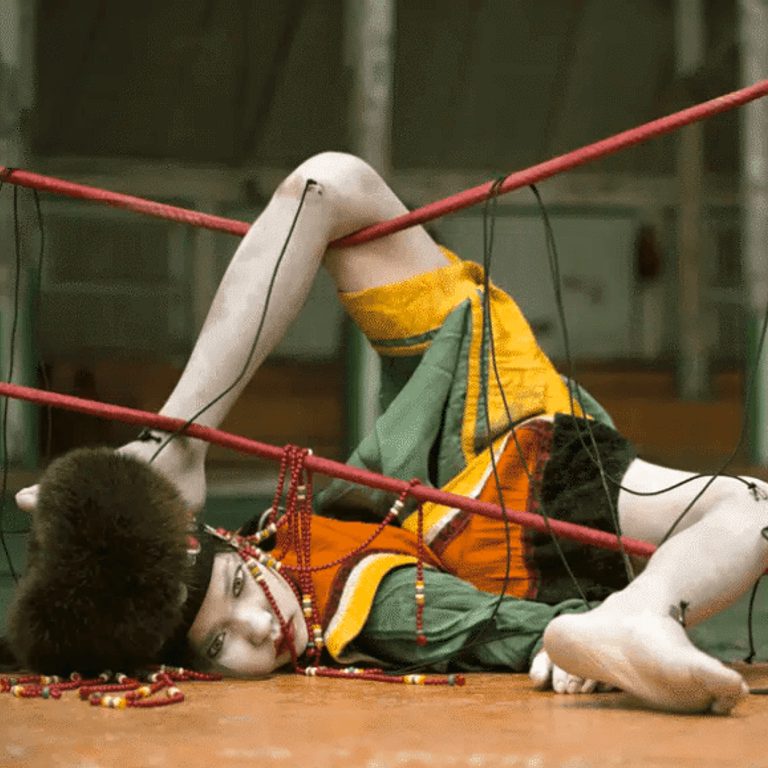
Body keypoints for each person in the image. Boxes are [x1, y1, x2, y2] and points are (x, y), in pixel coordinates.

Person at [8, 152, 768, 714]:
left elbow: (331, 192)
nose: (256, 625)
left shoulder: (285, 540)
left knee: (325, 185)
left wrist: (149, 467)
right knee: (752, 505)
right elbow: (487, 628)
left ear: (233, 546)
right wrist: (568, 641)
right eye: (216, 647)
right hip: (533, 500)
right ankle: (647, 607)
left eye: (237, 589)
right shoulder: (356, 608)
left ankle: (178, 437)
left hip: (473, 419)